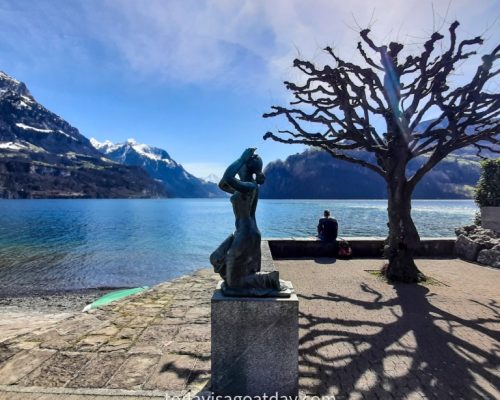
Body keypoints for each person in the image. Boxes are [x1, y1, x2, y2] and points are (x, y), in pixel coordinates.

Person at [210, 148, 289, 297]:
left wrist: (241, 159)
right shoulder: (241, 187)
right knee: (216, 258)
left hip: (247, 233)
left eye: (241, 165)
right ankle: (238, 279)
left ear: (245, 166)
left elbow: (228, 178)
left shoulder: (250, 187)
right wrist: (241, 161)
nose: (238, 168)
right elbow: (222, 184)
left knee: (234, 285)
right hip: (241, 232)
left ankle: (269, 279)